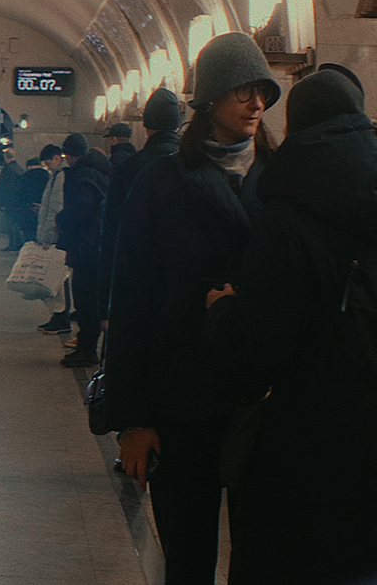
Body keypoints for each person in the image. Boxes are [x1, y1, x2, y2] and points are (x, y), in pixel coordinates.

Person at [203, 66, 377, 584]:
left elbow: (259, 344)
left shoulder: (287, 215)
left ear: (297, 127)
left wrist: (221, 309)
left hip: (301, 446)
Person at [103, 31, 280, 584]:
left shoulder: (281, 178)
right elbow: (131, 298)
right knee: (187, 558)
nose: (256, 103)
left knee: (262, 559)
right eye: (242, 91)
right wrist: (133, 418)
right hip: (181, 397)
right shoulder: (163, 181)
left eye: (263, 92)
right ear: (209, 99)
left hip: (260, 400)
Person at [101, 87, 183, 329]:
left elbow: (112, 235)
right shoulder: (195, 165)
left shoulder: (129, 168)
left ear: (147, 126)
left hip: (136, 280)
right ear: (178, 125)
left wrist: (105, 302)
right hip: (183, 284)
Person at [55, 134, 109, 366]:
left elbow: (80, 209)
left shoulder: (82, 174)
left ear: (68, 154)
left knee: (85, 300)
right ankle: (89, 347)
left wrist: (61, 219)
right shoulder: (102, 171)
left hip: (86, 246)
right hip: (100, 244)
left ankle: (87, 350)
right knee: (93, 299)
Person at [35, 141, 72, 334]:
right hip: (55, 235)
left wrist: (47, 236)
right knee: (57, 279)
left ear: (57, 158)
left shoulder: (61, 176)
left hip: (55, 237)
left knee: (56, 279)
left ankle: (61, 318)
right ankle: (59, 316)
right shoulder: (57, 175)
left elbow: (56, 208)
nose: (47, 167)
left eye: (48, 162)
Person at [14, 154, 51, 251]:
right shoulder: (49, 177)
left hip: (28, 210)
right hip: (43, 210)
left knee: (28, 237)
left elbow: (18, 194)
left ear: (28, 166)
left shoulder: (25, 177)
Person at [0, 147, 26, 250]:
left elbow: (7, 187)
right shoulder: (17, 168)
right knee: (15, 223)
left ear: (5, 157)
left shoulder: (9, 169)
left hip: (10, 202)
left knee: (10, 223)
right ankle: (18, 243)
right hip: (16, 201)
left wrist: (3, 203)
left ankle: (13, 244)